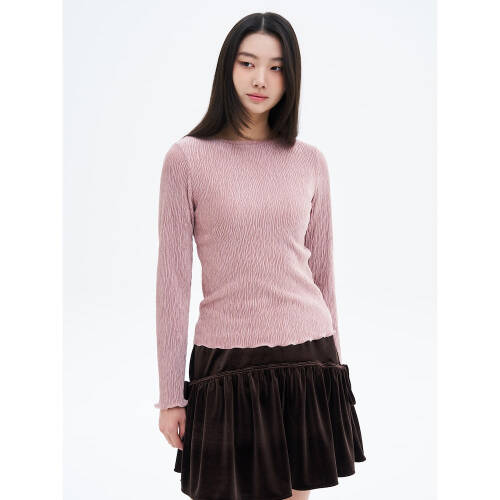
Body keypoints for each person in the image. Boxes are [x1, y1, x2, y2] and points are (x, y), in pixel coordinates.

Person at [154, 12, 366, 500]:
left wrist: (336, 368)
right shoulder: (186, 158)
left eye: (276, 68)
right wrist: (169, 394)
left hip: (306, 357)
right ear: (227, 67)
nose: (260, 80)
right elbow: (171, 283)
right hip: (226, 364)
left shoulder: (309, 160)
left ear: (291, 78)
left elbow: (323, 273)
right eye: (248, 63)